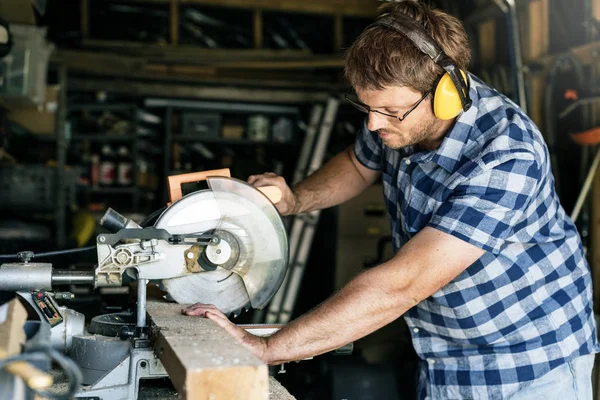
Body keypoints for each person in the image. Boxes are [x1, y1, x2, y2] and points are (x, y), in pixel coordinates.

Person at [183, 1, 599, 398]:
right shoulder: (396, 114)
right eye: (366, 107)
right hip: (442, 351)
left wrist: (268, 348)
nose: (372, 123)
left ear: (446, 94)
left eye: (388, 111)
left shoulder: (507, 155)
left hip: (529, 359)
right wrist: (296, 201)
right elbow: (358, 162)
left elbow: (402, 284)